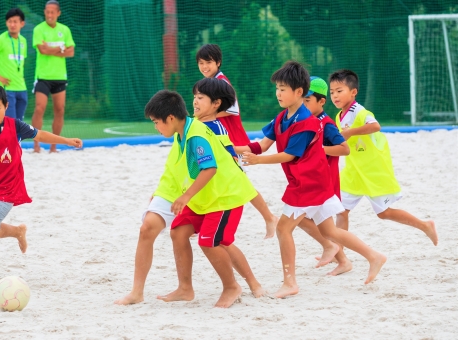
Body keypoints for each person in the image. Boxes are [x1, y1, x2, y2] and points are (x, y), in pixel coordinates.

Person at [241, 61, 386, 298]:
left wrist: (258, 161)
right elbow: (261, 145)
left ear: (299, 92)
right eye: (277, 88)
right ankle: (374, 256)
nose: (278, 93)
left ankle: (290, 282)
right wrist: (228, 147)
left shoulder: (307, 122)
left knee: (283, 228)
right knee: (331, 231)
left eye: (283, 88)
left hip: (308, 183)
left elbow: (289, 155)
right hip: (311, 182)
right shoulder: (280, 118)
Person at [114, 89, 265, 306]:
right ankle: (181, 288)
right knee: (174, 231)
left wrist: (185, 196)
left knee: (214, 242)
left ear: (171, 118)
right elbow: (178, 168)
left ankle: (234, 286)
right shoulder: (182, 131)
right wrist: (162, 193)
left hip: (221, 197)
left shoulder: (196, 133)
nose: (155, 127)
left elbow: (210, 168)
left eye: (157, 122)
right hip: (198, 197)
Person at [0, 82, 82, 287]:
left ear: (6, 106)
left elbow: (40, 135)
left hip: (7, 187)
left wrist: (66, 141)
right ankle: (17, 231)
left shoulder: (15, 125)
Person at [329, 69, 438, 246]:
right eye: (332, 92)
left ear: (353, 92)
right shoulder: (339, 115)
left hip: (372, 171)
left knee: (384, 213)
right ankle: (338, 252)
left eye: (339, 91)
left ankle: (425, 225)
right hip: (353, 171)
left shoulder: (360, 111)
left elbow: (375, 126)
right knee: (341, 211)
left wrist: (351, 132)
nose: (335, 95)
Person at [195, 44, 278, 239]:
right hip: (219, 138)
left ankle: (269, 217)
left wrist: (203, 114)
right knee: (214, 176)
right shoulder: (210, 82)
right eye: (201, 63)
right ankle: (201, 219)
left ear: (218, 62)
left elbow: (232, 109)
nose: (204, 66)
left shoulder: (222, 82)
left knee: (239, 181)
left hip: (230, 139)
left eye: (208, 62)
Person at [298, 76, 354, 276]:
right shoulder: (308, 120)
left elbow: (344, 149)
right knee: (319, 224)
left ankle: (343, 254)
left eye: (307, 100)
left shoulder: (327, 124)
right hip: (313, 179)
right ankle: (340, 257)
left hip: (325, 181)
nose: (303, 105)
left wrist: (319, 150)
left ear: (321, 101)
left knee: (301, 219)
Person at [31, 0, 75, 153]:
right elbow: (42, 50)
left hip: (59, 76)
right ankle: (36, 145)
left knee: (60, 110)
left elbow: (71, 52)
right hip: (43, 76)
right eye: (47, 12)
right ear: (45, 12)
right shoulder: (38, 29)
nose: (49, 15)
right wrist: (61, 48)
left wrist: (51, 48)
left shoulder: (65, 30)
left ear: (58, 13)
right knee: (39, 108)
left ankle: (53, 146)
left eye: (52, 12)